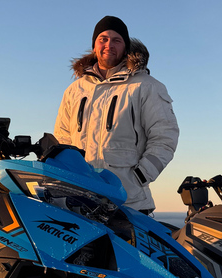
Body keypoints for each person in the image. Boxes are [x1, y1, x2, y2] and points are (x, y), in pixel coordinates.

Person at [54, 16, 179, 214]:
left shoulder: (146, 86)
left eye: (116, 40)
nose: (109, 45)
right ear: (94, 46)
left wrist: (140, 176)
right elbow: (62, 139)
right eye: (103, 39)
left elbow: (165, 137)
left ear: (125, 47)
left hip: (129, 202)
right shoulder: (75, 90)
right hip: (80, 201)